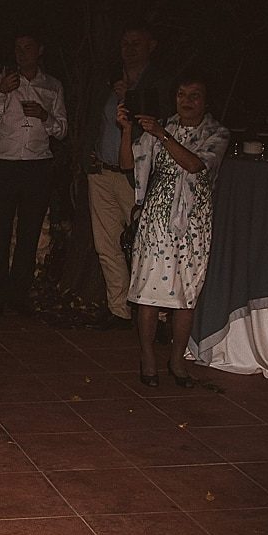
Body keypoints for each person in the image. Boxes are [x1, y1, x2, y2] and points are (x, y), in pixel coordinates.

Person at [118, 72, 230, 387]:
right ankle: (148, 357)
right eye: (181, 94)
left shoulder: (217, 133)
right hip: (157, 219)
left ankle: (177, 359)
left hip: (193, 222)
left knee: (186, 294)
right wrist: (127, 130)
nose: (187, 101)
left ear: (206, 101)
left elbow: (195, 165)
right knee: (149, 293)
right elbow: (128, 163)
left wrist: (163, 135)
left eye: (194, 95)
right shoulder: (162, 126)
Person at [0, 30, 68, 320]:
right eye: (18, 47)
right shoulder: (2, 80)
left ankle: (19, 296)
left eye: (28, 47)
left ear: (40, 50)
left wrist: (44, 116)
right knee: (0, 233)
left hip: (38, 165)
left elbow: (63, 129)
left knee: (28, 234)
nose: (22, 52)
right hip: (4, 164)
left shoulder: (52, 86)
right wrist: (2, 91)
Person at [88, 23, 175, 326]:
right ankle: (118, 310)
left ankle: (156, 314)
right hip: (102, 172)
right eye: (125, 42)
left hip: (137, 176)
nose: (129, 48)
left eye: (136, 42)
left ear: (152, 45)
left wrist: (133, 95)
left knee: (146, 245)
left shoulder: (160, 81)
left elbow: (161, 122)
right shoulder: (109, 79)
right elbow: (95, 119)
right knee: (107, 246)